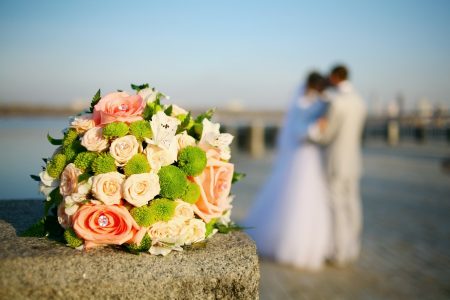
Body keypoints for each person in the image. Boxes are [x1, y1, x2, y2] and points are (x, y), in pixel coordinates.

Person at [245, 72, 332, 270]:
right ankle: (294, 246)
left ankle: (309, 245)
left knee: (307, 201)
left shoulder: (311, 101)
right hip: (302, 157)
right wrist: (317, 128)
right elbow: (299, 132)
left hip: (308, 157)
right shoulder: (302, 103)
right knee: (298, 200)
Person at [308, 65, 367, 266]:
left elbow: (326, 136)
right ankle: (354, 247)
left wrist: (315, 133)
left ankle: (340, 253)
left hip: (336, 162)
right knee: (353, 205)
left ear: (334, 77)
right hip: (354, 161)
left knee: (337, 208)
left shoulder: (337, 102)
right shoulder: (360, 101)